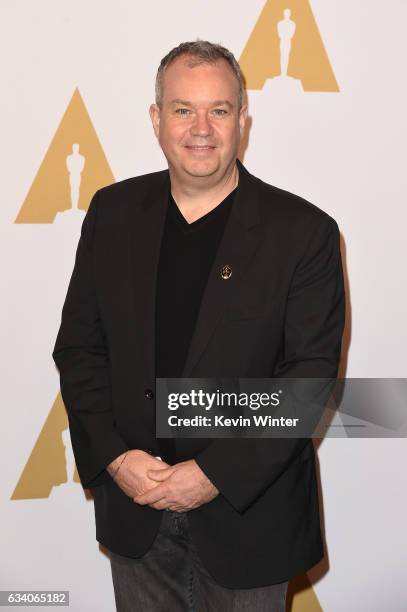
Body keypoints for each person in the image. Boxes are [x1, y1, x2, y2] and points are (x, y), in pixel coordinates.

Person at [52, 40, 345, 611]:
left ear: (243, 120)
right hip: (135, 513)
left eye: (220, 110)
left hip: (248, 522)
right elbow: (81, 349)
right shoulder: (111, 214)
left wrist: (212, 474)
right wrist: (115, 458)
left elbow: (306, 380)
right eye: (184, 110)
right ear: (157, 120)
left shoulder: (304, 233)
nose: (201, 129)